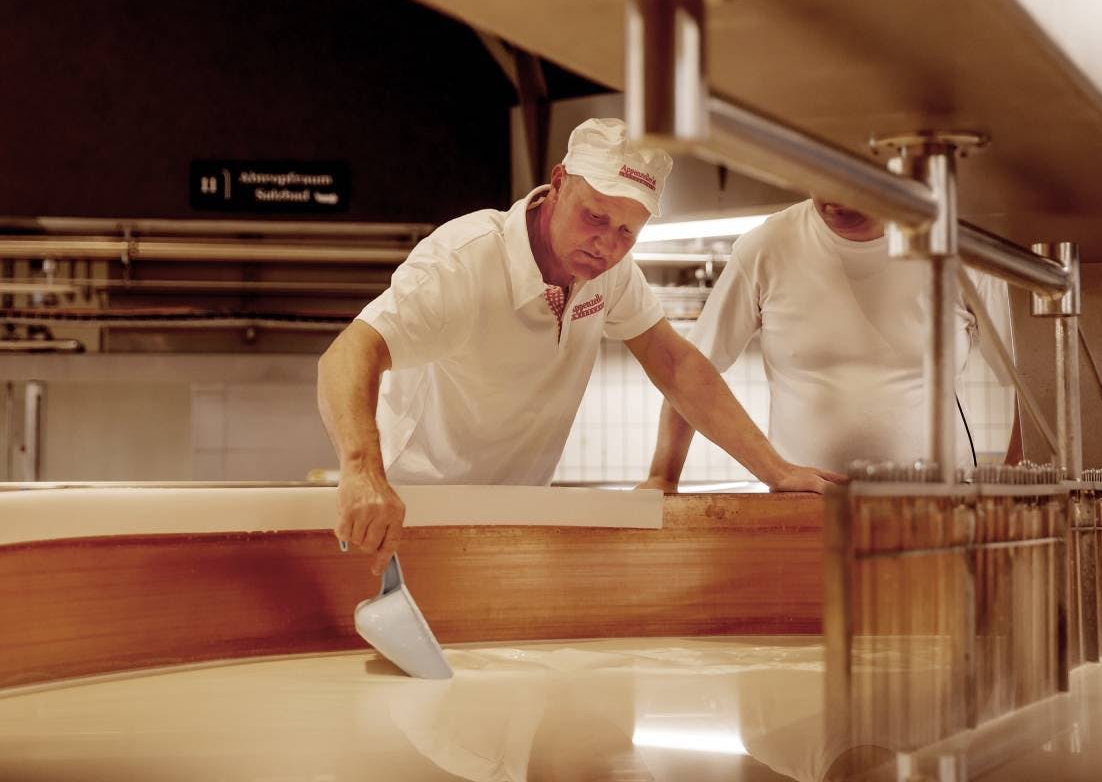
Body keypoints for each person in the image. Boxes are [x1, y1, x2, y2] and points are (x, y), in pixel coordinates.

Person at [318, 119, 845, 574]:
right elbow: (349, 353)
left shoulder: (609, 275)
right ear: (558, 182)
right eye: (595, 217)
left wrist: (776, 471)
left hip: (515, 519)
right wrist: (362, 471)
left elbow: (676, 364)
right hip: (406, 512)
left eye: (626, 232)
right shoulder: (466, 260)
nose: (607, 245)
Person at [640, 197, 1022, 492]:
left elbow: (1033, 385)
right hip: (804, 512)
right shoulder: (767, 247)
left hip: (941, 508)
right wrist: (663, 477)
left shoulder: (959, 249)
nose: (835, 199)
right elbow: (688, 370)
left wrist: (1013, 481)